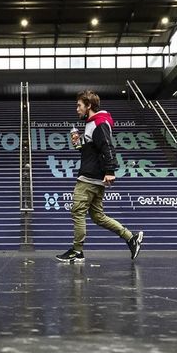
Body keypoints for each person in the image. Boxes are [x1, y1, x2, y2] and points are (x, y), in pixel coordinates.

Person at [55, 89, 144, 263]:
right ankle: (131, 237)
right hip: (94, 176)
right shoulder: (92, 123)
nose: (77, 109)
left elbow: (108, 147)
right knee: (98, 216)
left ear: (89, 105)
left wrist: (110, 171)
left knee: (78, 212)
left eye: (79, 105)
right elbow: (94, 149)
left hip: (89, 178)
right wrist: (79, 143)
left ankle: (77, 251)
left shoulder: (99, 123)